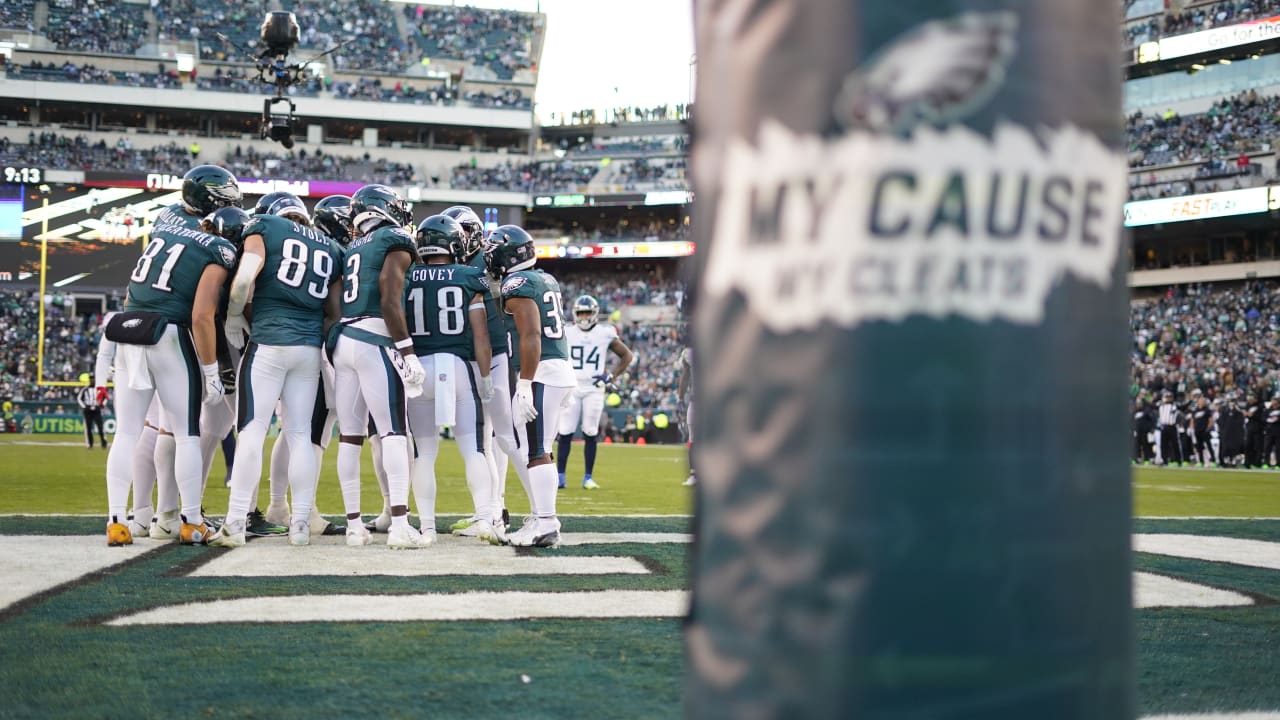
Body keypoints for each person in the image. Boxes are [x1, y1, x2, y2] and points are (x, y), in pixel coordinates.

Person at [102, 191, 238, 546]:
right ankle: (191, 520)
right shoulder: (217, 248)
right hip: (169, 333)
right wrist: (211, 371)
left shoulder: (163, 229)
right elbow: (201, 315)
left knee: (126, 432)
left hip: (129, 327)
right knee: (186, 432)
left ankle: (117, 520)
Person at [210, 194, 342, 548]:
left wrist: (236, 314)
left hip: (268, 341)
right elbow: (335, 311)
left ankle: (236, 521)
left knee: (252, 432)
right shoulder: (330, 247)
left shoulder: (265, 227)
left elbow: (242, 282)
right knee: (300, 435)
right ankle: (299, 524)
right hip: (308, 348)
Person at [330, 184, 428, 549]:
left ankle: (354, 526)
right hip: (375, 338)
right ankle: (401, 525)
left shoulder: (352, 246)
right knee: (393, 433)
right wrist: (408, 351)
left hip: (344, 339)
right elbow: (389, 297)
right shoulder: (395, 238)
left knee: (350, 437)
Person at [403, 214, 496, 544]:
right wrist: (485, 377)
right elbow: (481, 336)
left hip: (416, 369)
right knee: (472, 449)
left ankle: (427, 527)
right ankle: (485, 517)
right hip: (456, 367)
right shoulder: (469, 276)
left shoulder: (408, 276)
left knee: (424, 454)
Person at [486, 224, 575, 548]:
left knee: (536, 451)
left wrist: (524, 382)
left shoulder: (517, 282)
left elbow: (532, 335)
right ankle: (540, 518)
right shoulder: (544, 278)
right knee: (536, 449)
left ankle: (547, 522)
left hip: (543, 372)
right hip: (556, 369)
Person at [439, 204, 514, 537]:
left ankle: (495, 513)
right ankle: (491, 510)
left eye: (461, 233)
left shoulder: (482, 263)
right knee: (488, 439)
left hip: (493, 355)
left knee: (496, 439)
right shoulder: (466, 265)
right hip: (481, 355)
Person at [556, 294, 634, 490]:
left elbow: (627, 355)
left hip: (593, 388)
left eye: (587, 313)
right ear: (575, 313)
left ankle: (588, 477)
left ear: (594, 314)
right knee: (565, 431)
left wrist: (612, 376)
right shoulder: (566, 331)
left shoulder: (605, 333)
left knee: (591, 431)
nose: (583, 317)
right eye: (580, 313)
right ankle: (560, 476)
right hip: (572, 386)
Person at [678, 345, 695, 486]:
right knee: (693, 438)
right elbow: (685, 376)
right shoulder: (689, 353)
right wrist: (680, 398)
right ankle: (694, 474)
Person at [77, 381, 108, 449]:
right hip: (88, 410)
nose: (92, 381)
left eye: (93, 379)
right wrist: (84, 406)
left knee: (100, 427)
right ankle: (90, 444)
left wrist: (101, 405)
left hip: (97, 410)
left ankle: (104, 443)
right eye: (91, 379)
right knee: (88, 428)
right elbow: (79, 399)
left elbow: (106, 397)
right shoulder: (85, 389)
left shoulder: (100, 389)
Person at [1131, 396, 1154, 465]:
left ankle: (1146, 459)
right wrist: (1133, 430)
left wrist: (1150, 429)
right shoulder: (1134, 412)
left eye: (1140, 404)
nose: (1138, 405)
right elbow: (1131, 422)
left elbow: (1150, 420)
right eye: (1137, 404)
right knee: (1136, 446)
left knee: (1145, 446)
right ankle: (1136, 459)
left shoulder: (1146, 411)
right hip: (1137, 431)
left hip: (1144, 432)